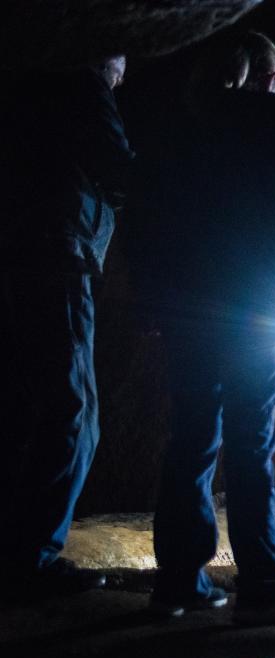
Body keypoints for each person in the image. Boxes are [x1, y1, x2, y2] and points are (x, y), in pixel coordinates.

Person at [129, 32, 275, 623]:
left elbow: (147, 216)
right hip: (255, 305)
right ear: (267, 76)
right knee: (252, 442)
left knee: (191, 436)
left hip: (189, 306)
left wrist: (149, 296)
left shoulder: (180, 126)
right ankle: (262, 585)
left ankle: (177, 579)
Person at [0, 56, 133, 596]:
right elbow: (118, 169)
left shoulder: (39, 94)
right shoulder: (86, 86)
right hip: (60, 256)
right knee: (76, 411)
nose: (128, 70)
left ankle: (22, 548)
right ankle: (32, 557)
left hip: (35, 253)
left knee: (38, 404)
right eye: (123, 58)